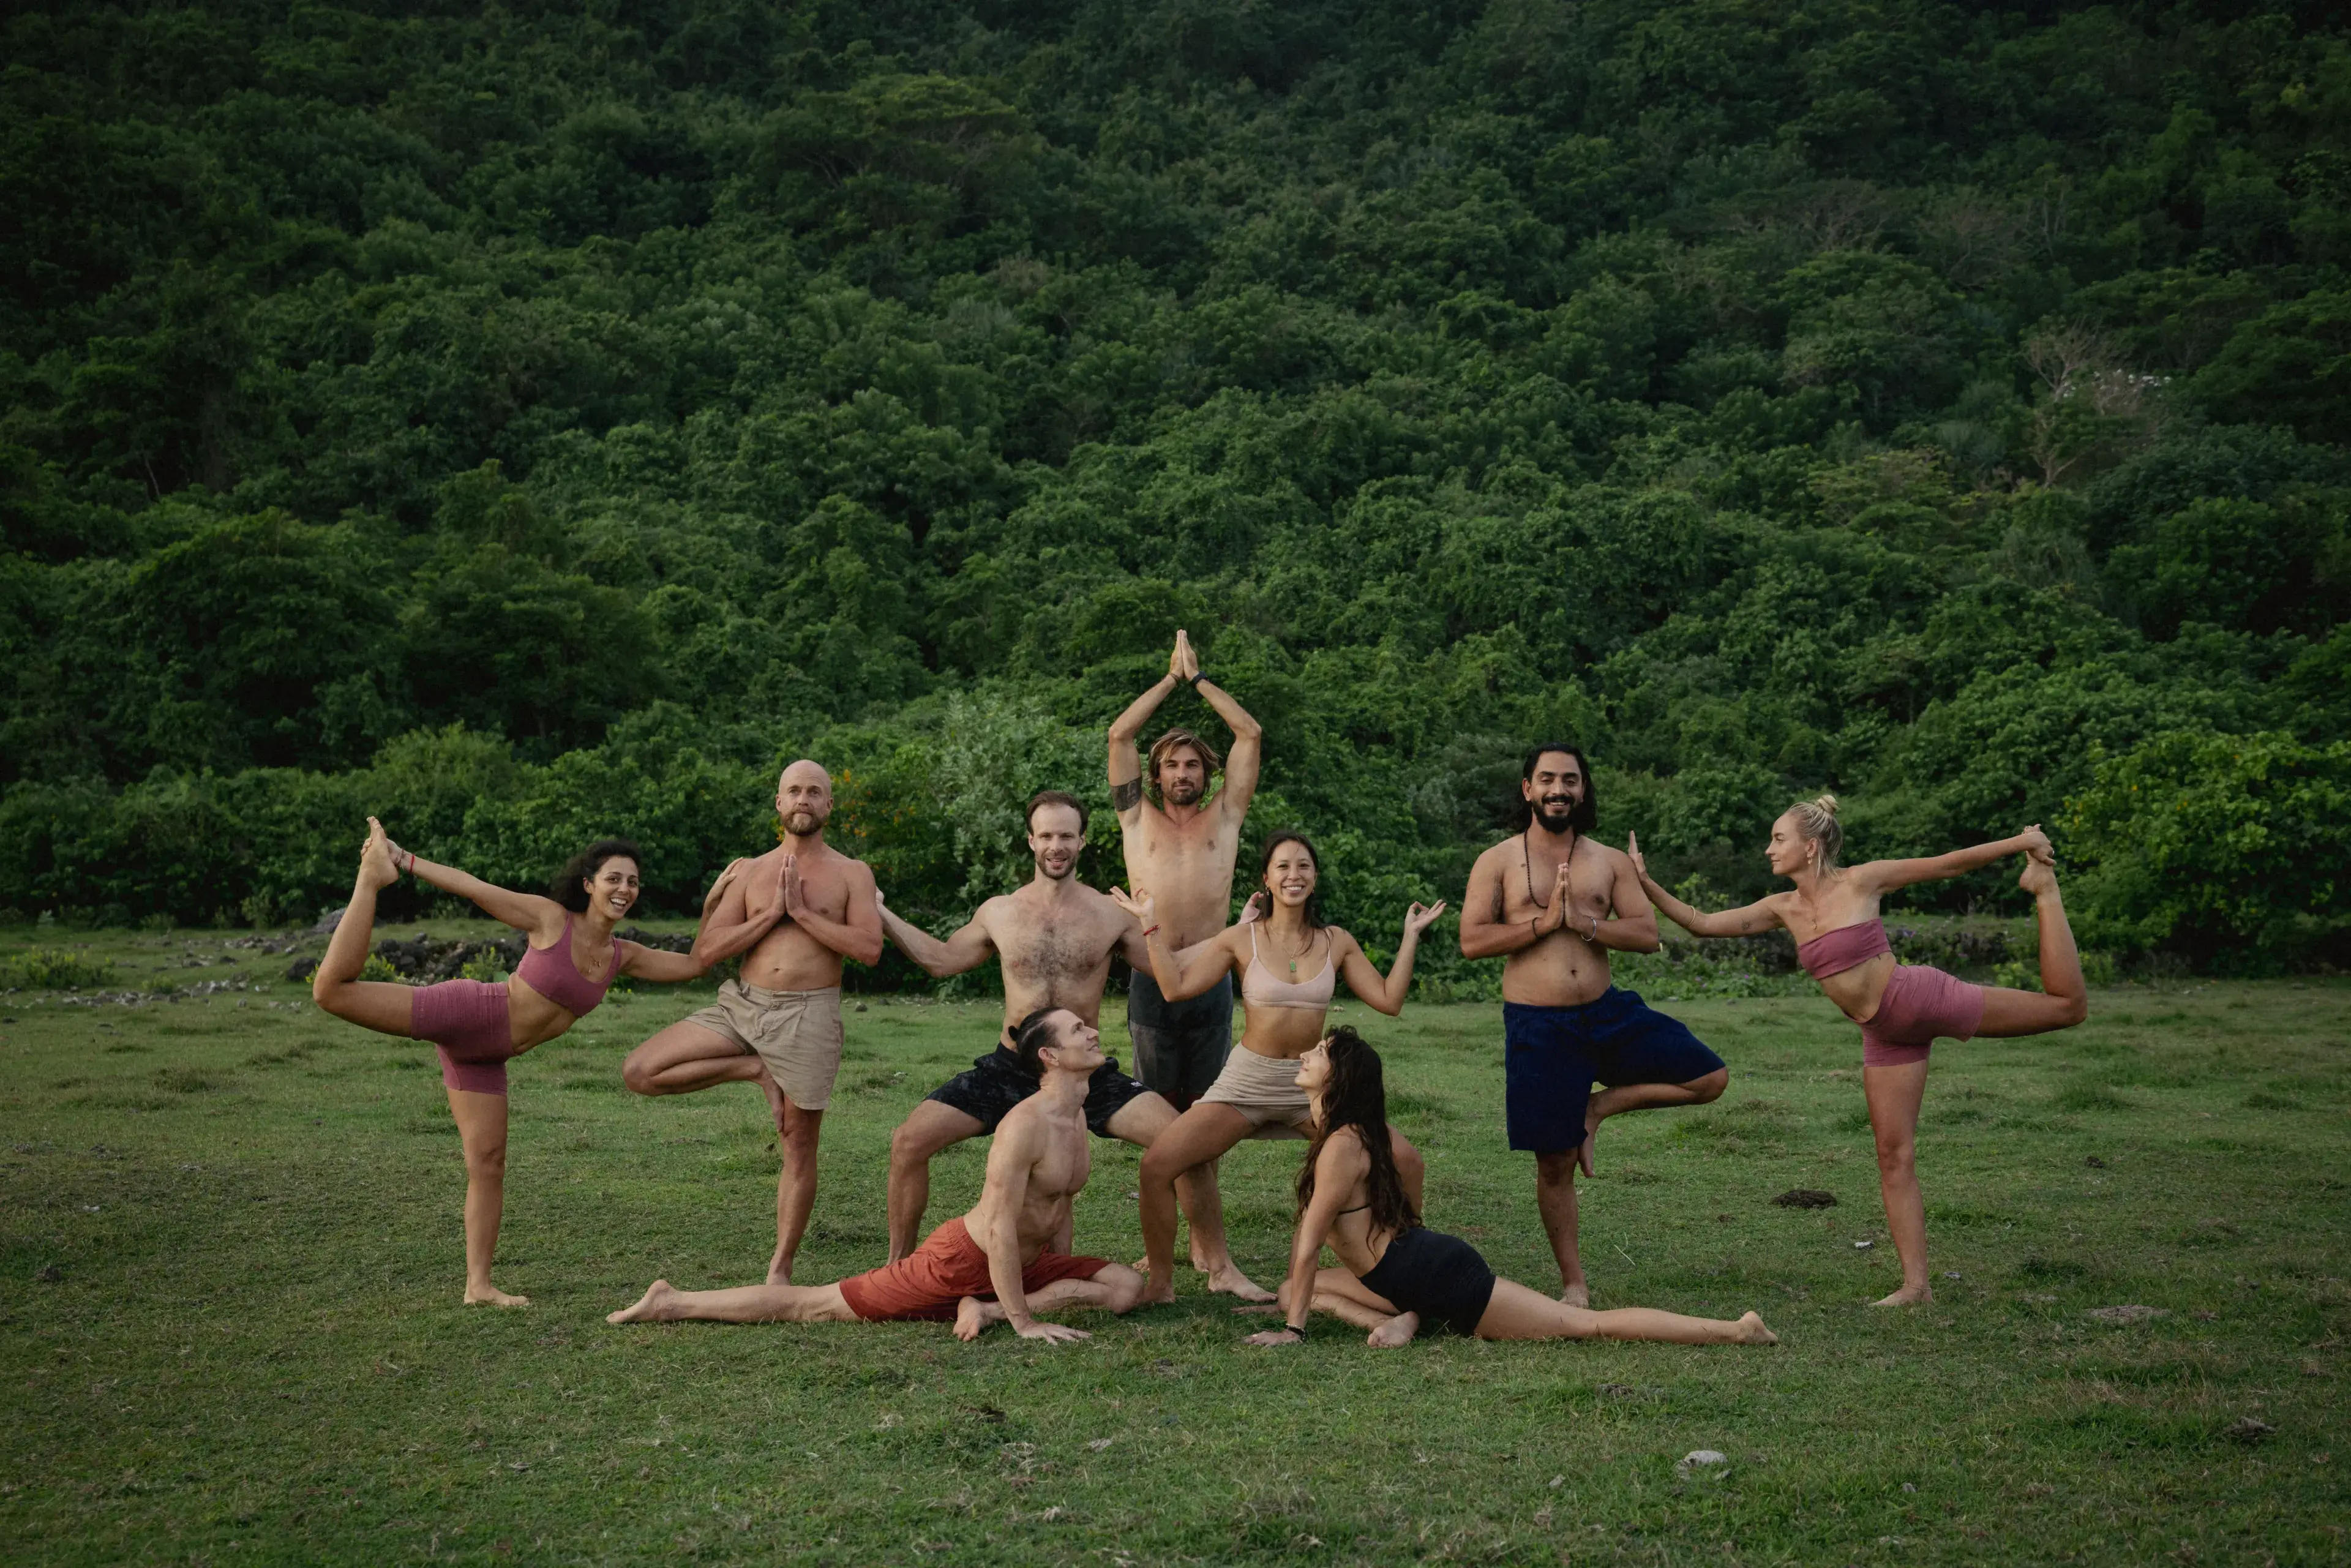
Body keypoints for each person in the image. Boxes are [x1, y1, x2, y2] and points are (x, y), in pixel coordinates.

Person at [1629, 795, 2087, 1306]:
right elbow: (1701, 921)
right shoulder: (1783, 908)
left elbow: (1949, 864)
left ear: (1811, 844)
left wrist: (2023, 843)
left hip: (1918, 998)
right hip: (1885, 1035)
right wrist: (1646, 883)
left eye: (1778, 839)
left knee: (2067, 1008)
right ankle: (1917, 1287)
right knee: (1893, 1155)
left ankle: (2045, 890)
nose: (1768, 849)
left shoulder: (1863, 880)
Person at [312, 819, 705, 1306]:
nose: (625, 888)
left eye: (633, 881)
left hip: (487, 1055)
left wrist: (733, 902)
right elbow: (478, 889)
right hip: (467, 1013)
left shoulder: (621, 956)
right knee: (331, 991)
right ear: (589, 884)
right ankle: (370, 878)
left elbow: (694, 964)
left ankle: (478, 1286)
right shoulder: (552, 918)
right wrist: (403, 860)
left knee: (488, 1164)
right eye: (614, 878)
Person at [607, 1009, 1149, 1342]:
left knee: (1126, 1287)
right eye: (1080, 1028)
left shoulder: (1076, 1114)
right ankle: (673, 1301)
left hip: (1022, 1264)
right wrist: (1028, 1322)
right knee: (813, 1306)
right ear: (1051, 1054)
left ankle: (986, 1310)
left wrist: (1043, 1277)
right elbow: (1003, 1226)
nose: (1094, 1030)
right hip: (963, 1259)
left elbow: (1059, 1205)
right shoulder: (1022, 1125)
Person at [1239, 1029, 1777, 1350]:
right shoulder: (1343, 1135)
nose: (1307, 1054)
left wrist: (1295, 1333)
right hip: (1401, 1274)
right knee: (1292, 1288)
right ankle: (1401, 1320)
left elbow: (1310, 1240)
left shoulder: (1342, 1144)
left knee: (1586, 1327)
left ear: (1339, 1079)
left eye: (1321, 1051)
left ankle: (1734, 1330)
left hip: (1437, 1272)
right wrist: (1292, 1310)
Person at [877, 791, 1223, 1272]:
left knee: (1185, 1142)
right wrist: (880, 913)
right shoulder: (999, 911)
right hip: (1011, 1066)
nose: (1056, 845)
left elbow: (1174, 973)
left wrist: (1240, 935)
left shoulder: (1110, 914)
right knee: (909, 1141)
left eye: (1066, 835)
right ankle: (899, 1266)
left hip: (1083, 1072)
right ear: (1030, 841)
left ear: (1082, 840)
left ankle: (1215, 1260)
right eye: (1046, 835)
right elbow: (941, 959)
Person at [1111, 830, 1445, 1304]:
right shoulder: (1240, 938)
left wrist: (1410, 937)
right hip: (1248, 1079)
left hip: (1313, 1086)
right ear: (1266, 878)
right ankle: (1161, 1284)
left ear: (1315, 877)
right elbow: (1176, 988)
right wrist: (1150, 925)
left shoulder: (1336, 941)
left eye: (1304, 866)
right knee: (1157, 1165)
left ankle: (1404, 1269)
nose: (1294, 874)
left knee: (1407, 1160)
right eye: (1283, 866)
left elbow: (1389, 1001)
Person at [1458, 743, 1730, 1307]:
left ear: (1583, 790)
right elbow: (1472, 940)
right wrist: (1542, 923)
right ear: (1528, 788)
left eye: (1571, 780)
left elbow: (1646, 934)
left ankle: (1596, 1107)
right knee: (1555, 1160)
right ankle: (1574, 1285)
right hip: (1538, 1025)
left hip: (1608, 1012)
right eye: (1548, 779)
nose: (1560, 789)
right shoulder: (1498, 860)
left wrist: (1581, 921)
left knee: (1710, 1078)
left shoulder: (1608, 859)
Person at [617, 761, 883, 1284]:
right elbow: (707, 949)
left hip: (810, 1014)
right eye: (794, 791)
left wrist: (804, 914)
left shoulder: (854, 872)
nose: (803, 799)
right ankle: (754, 1070)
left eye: (815, 792)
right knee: (639, 1070)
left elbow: (870, 949)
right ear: (778, 804)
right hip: (743, 1004)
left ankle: (779, 1271)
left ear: (830, 805)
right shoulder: (750, 870)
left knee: (798, 1145)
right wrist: (769, 915)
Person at [1108, 629, 1263, 1111]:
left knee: (1207, 1109)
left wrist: (1197, 678)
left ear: (1207, 774)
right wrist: (1169, 680)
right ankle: (1158, 1188)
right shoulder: (1135, 817)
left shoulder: (1226, 815)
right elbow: (1120, 735)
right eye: (1172, 765)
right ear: (1155, 775)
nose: (1182, 773)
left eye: (1193, 765)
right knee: (1154, 1108)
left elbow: (1250, 733)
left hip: (1212, 973)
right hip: (1151, 972)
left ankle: (1201, 1188)